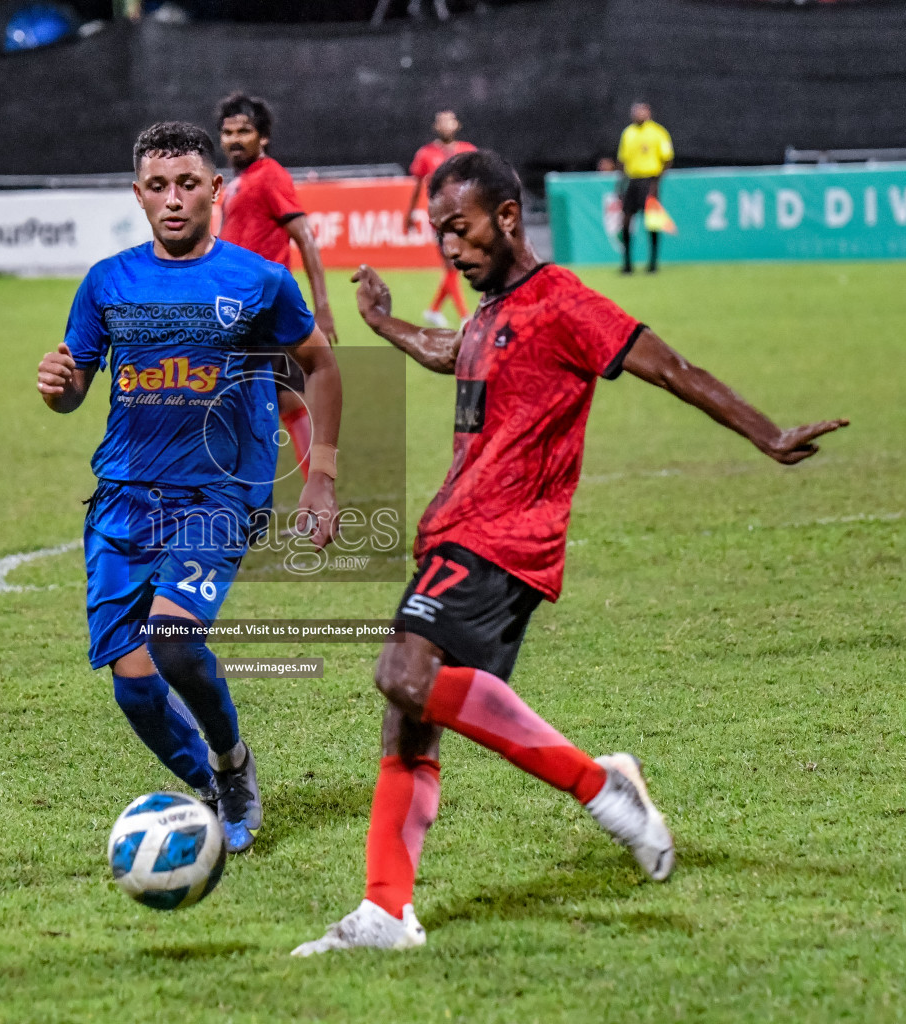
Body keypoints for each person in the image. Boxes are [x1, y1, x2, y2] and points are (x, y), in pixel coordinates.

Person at [293, 150, 847, 954]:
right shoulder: (489, 313)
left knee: (401, 675)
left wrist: (767, 433)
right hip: (458, 529)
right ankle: (386, 910)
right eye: (439, 233)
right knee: (407, 724)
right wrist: (384, 325)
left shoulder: (563, 303)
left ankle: (601, 787)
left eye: (462, 228)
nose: (450, 247)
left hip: (502, 535)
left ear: (507, 217)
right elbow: (453, 353)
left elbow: (671, 367)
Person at [36, 122, 343, 854]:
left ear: (216, 190)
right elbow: (76, 384)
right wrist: (59, 389)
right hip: (122, 498)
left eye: (187, 185)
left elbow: (320, 365)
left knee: (174, 643)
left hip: (219, 497)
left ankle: (233, 764)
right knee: (135, 685)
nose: (173, 200)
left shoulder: (257, 280)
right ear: (137, 193)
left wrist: (322, 476)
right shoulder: (108, 281)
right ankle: (205, 786)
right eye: (157, 186)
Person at [217, 92, 337, 481]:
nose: (235, 139)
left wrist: (322, 306)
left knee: (274, 401)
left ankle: (315, 497)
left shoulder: (269, 176)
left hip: (262, 311)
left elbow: (304, 237)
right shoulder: (238, 182)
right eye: (228, 132)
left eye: (244, 131)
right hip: (237, 311)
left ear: (263, 137)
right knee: (281, 401)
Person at [405, 110, 477, 328]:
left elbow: (476, 183)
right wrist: (408, 214)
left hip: (464, 215)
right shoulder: (426, 154)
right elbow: (417, 186)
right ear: (436, 127)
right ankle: (465, 316)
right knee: (452, 265)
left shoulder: (468, 151)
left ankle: (433, 310)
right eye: (442, 122)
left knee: (457, 265)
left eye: (450, 121)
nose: (446, 126)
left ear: (458, 125)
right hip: (440, 218)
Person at [616, 101, 674, 274]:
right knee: (626, 221)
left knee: (652, 222)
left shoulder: (658, 132)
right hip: (632, 180)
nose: (638, 114)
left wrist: (656, 181)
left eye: (642, 111)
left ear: (648, 112)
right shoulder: (628, 133)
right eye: (636, 111)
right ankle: (627, 264)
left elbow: (667, 158)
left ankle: (653, 263)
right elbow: (623, 160)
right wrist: (620, 184)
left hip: (649, 180)